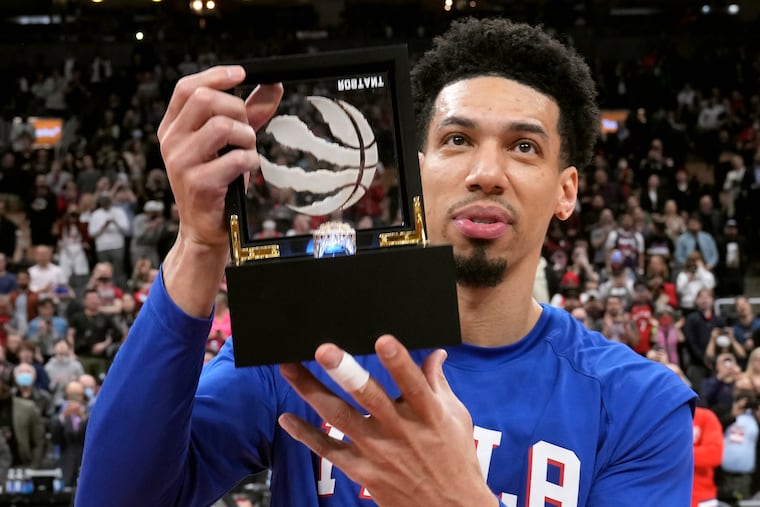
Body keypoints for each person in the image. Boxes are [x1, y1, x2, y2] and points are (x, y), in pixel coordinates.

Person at [77, 18, 696, 506]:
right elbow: (114, 499)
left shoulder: (640, 404)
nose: (486, 173)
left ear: (566, 191)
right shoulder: (304, 347)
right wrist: (198, 246)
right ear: (419, 175)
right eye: (457, 140)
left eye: (524, 147)